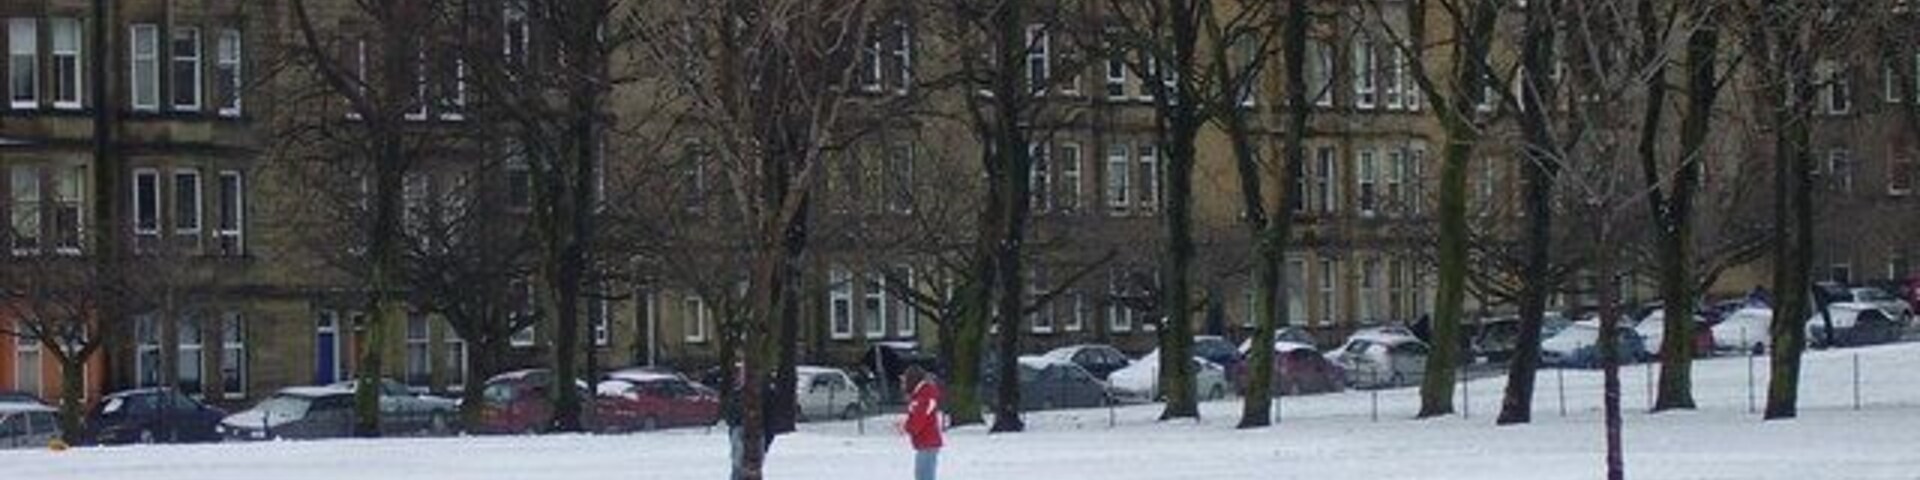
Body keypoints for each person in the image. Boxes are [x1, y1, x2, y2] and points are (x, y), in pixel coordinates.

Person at [900, 366, 944, 480]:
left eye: (905, 380)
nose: (903, 384)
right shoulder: (921, 395)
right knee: (922, 476)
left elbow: (919, 419)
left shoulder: (925, 396)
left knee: (924, 477)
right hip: (925, 442)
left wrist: (907, 427)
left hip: (928, 443)